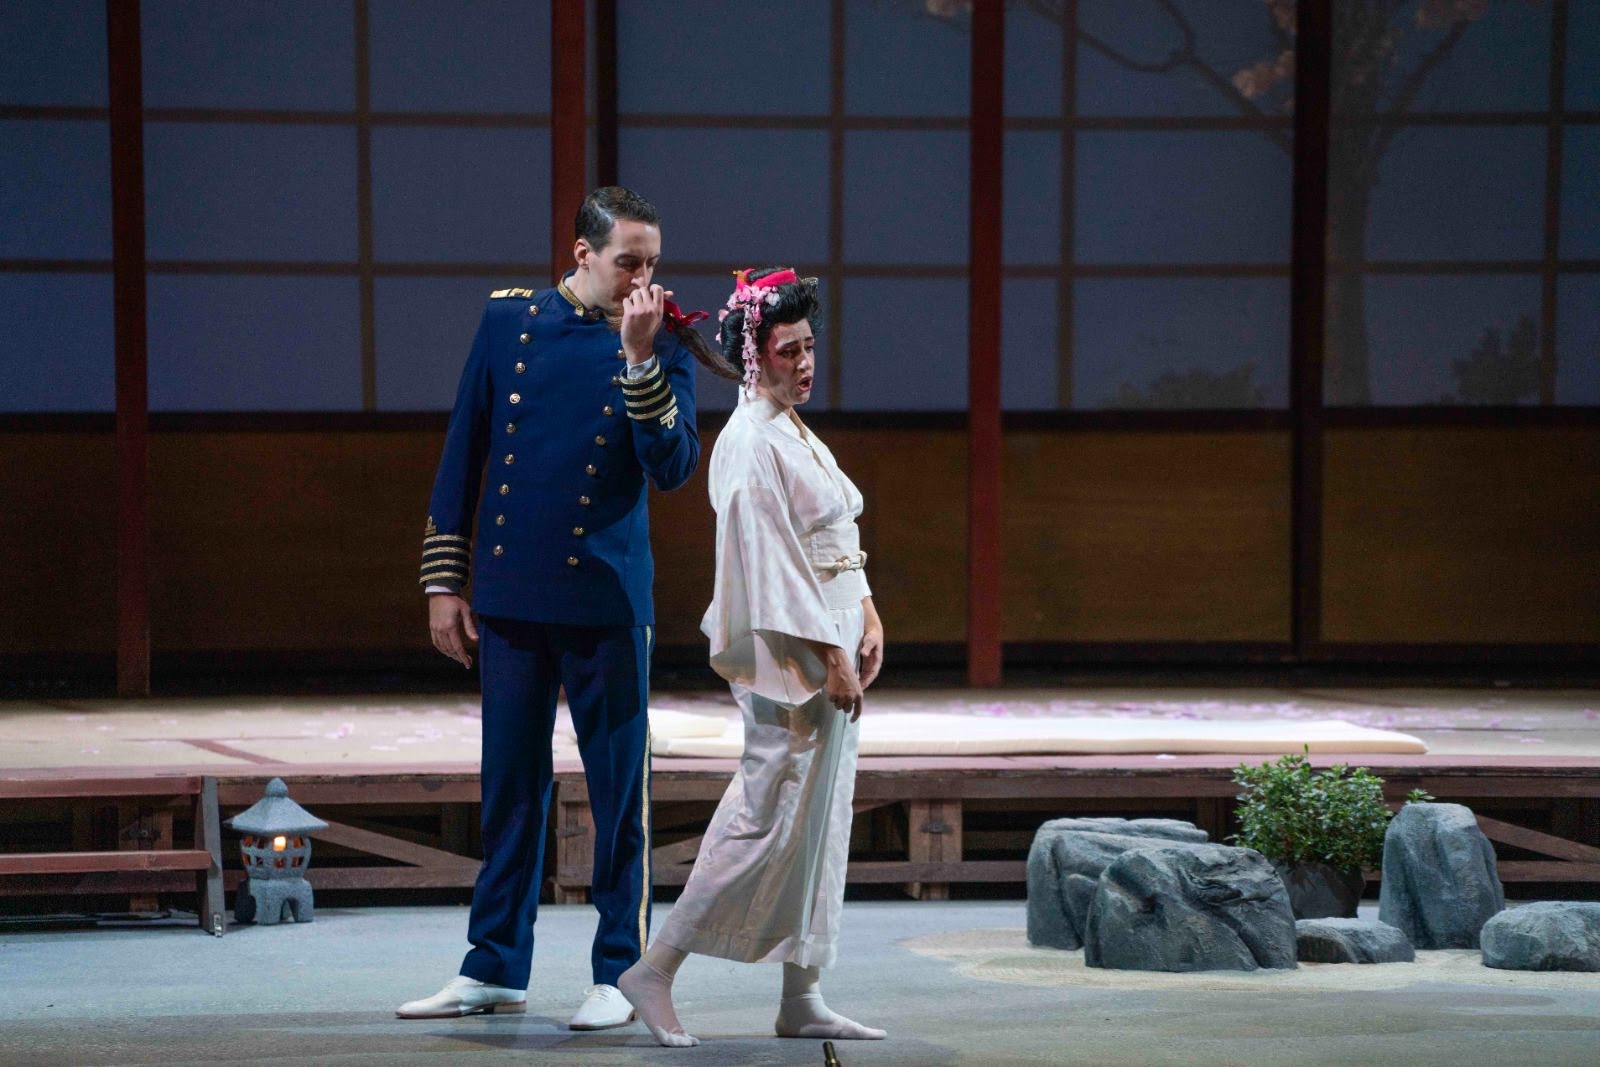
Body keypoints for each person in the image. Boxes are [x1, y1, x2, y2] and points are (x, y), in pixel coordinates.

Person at [398, 186, 732, 1029]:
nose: (642, 279)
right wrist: (444, 580)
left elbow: (673, 467)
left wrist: (639, 359)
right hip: (512, 592)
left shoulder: (664, 341)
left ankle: (620, 971)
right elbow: (464, 449)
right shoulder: (508, 323)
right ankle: (493, 964)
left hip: (605, 598)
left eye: (652, 263)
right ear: (583, 253)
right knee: (509, 788)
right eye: (628, 262)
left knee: (619, 798)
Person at [616, 268, 887, 1047]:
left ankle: (802, 990)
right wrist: (830, 654)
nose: (804, 363)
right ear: (754, 354)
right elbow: (770, 566)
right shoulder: (748, 441)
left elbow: (834, 536)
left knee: (821, 812)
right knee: (764, 811)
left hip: (832, 627)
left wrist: (867, 609)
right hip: (793, 649)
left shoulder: (791, 428)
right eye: (787, 350)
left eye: (809, 347)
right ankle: (655, 966)